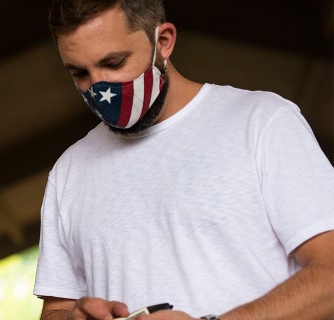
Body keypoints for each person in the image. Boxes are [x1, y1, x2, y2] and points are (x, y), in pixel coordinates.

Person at [33, 1, 334, 319]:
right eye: (80, 73)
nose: (98, 87)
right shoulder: (70, 171)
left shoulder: (262, 122)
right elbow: (56, 309)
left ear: (163, 41)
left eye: (114, 62)